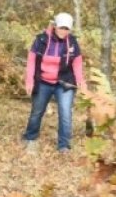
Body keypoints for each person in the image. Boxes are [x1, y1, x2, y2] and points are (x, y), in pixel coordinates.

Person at [22, 12, 86, 154]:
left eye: (67, 29)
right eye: (61, 27)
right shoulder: (42, 40)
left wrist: (81, 80)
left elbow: (77, 62)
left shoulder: (73, 42)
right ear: (55, 26)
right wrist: (29, 80)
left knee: (65, 113)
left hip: (64, 82)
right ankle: (30, 137)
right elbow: (32, 60)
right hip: (43, 80)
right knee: (37, 110)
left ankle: (64, 145)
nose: (64, 31)